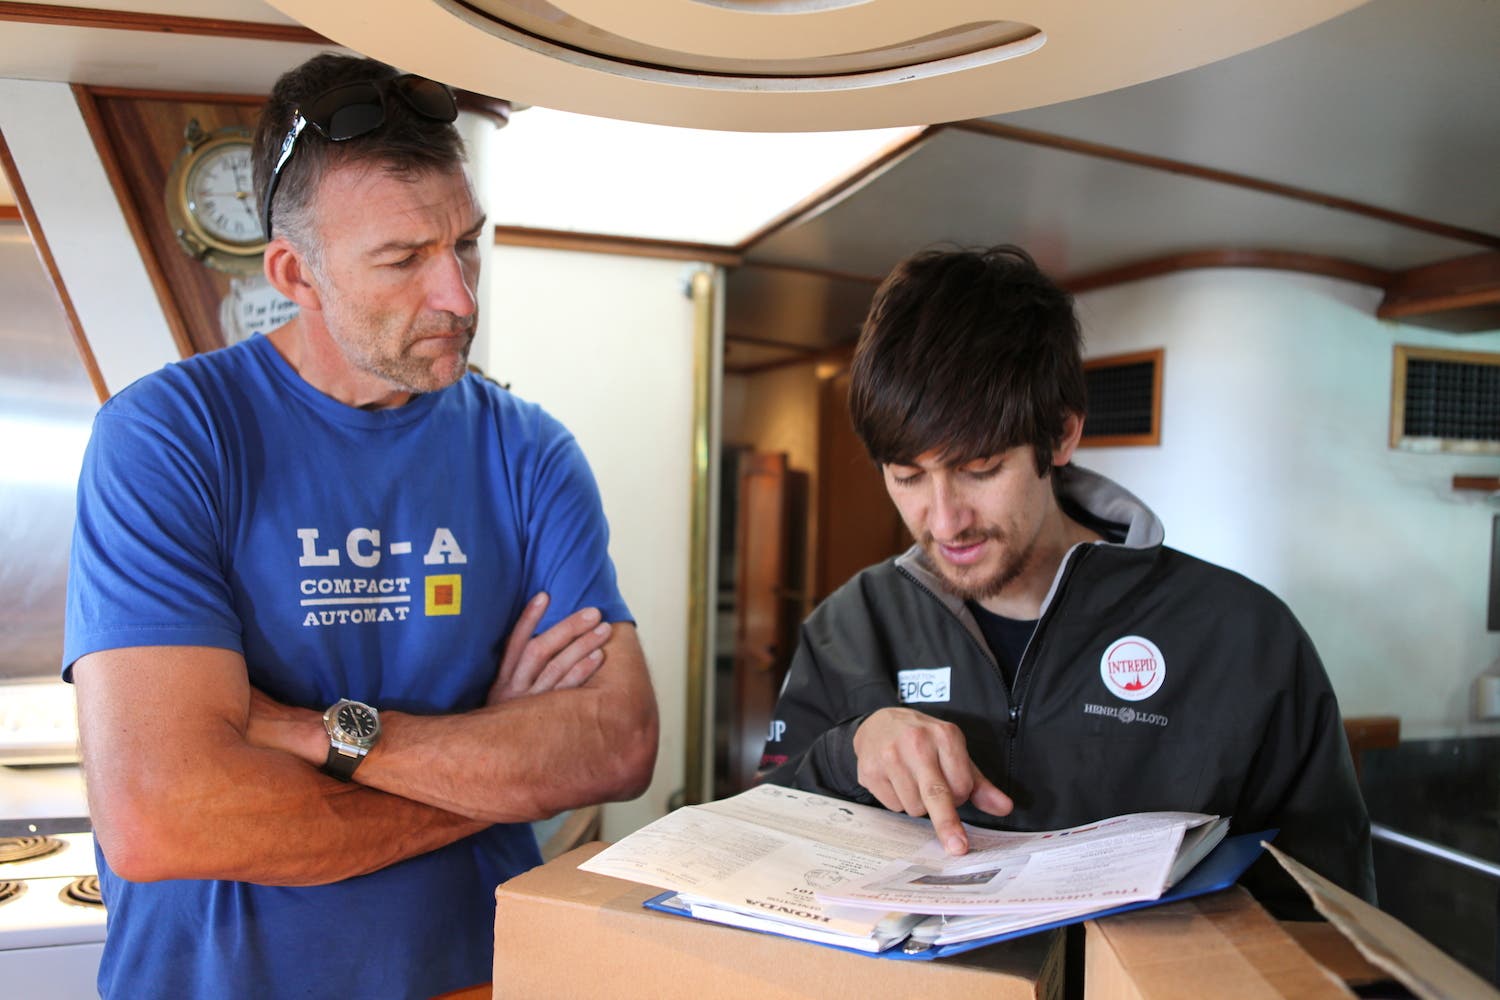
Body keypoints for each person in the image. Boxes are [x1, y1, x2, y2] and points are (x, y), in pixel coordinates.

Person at [63, 53, 658, 999]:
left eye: (465, 244)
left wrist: (321, 736)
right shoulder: (169, 439)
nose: (460, 295)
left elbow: (616, 745)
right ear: (296, 272)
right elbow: (163, 819)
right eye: (404, 258)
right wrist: (497, 761)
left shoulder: (529, 451)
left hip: (478, 977)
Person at [757, 244, 1374, 913]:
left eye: (980, 468)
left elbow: (1330, 911)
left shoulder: (1244, 639)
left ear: (1059, 435)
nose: (943, 520)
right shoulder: (851, 627)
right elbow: (759, 847)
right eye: (907, 477)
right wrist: (850, 752)